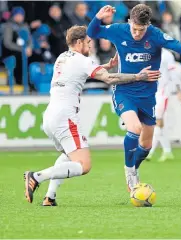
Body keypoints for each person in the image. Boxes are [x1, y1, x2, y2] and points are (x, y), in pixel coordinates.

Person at [23, 25, 161, 206]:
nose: (90, 46)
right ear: (79, 42)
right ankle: (36, 176)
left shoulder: (63, 57)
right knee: (84, 165)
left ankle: (50, 197)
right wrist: (139, 76)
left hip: (50, 116)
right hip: (65, 117)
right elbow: (110, 79)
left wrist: (105, 66)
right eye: (88, 43)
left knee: (68, 155)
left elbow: (80, 71)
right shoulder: (82, 60)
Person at [87, 4, 181, 192]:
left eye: (141, 30)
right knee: (134, 128)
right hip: (124, 90)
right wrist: (98, 16)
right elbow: (93, 31)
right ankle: (129, 172)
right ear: (129, 22)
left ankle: (134, 168)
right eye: (134, 29)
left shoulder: (155, 35)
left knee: (146, 144)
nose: (137, 34)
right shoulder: (119, 30)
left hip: (147, 95)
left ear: (148, 25)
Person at [146, 48, 181, 162]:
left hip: (163, 92)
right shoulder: (147, 52)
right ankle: (167, 151)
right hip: (151, 91)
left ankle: (149, 152)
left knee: (157, 121)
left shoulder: (167, 55)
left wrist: (179, 91)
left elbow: (173, 74)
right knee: (158, 123)